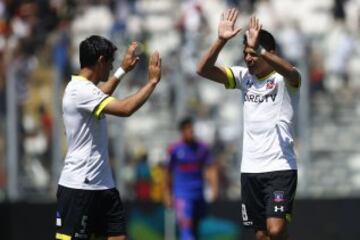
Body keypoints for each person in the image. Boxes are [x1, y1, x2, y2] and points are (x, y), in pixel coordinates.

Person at [197, 8, 300, 240]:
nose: (248, 58)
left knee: (276, 229)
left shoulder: (284, 79)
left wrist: (259, 49)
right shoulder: (244, 77)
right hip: (250, 169)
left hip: (280, 167)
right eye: (246, 53)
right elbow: (202, 69)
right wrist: (220, 40)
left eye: (253, 53)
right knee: (262, 235)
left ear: (269, 52)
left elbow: (294, 74)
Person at [55, 35, 161, 240]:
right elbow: (125, 108)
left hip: (104, 186)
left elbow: (100, 94)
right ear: (101, 60)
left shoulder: (84, 91)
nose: (111, 68)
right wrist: (152, 82)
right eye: (111, 64)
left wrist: (123, 70)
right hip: (79, 187)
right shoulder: (79, 90)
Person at [164, 117, 218, 240]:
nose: (191, 132)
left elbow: (210, 168)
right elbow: (167, 172)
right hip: (182, 194)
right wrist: (167, 193)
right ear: (182, 131)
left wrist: (214, 188)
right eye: (188, 129)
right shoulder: (174, 149)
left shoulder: (202, 148)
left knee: (196, 227)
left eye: (192, 129)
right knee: (186, 227)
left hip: (198, 193)